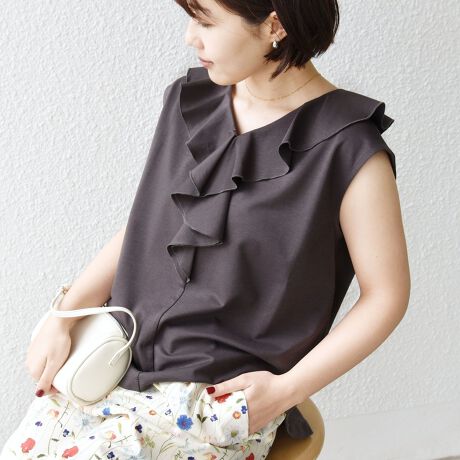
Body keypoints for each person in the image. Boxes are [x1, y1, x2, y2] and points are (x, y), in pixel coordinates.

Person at [2, 0, 411, 458]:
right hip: (110, 362)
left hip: (210, 402)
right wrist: (65, 313)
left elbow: (386, 295)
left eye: (205, 20)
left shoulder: (348, 148)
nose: (189, 37)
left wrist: (287, 389)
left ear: (274, 26)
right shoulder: (190, 102)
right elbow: (149, 225)